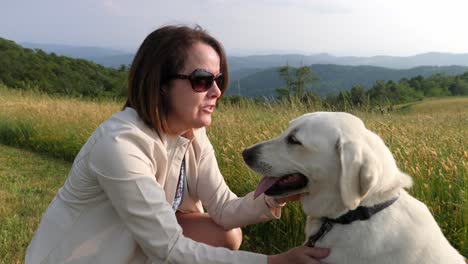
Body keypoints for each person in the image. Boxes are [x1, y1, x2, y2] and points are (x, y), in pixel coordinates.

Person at [25, 25, 329, 264]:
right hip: (82, 258)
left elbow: (224, 209)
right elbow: (169, 246)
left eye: (218, 79)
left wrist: (278, 195)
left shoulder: (191, 134)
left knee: (226, 233)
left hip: (136, 244)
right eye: (201, 80)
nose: (216, 92)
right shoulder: (120, 144)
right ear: (160, 83)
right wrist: (272, 262)